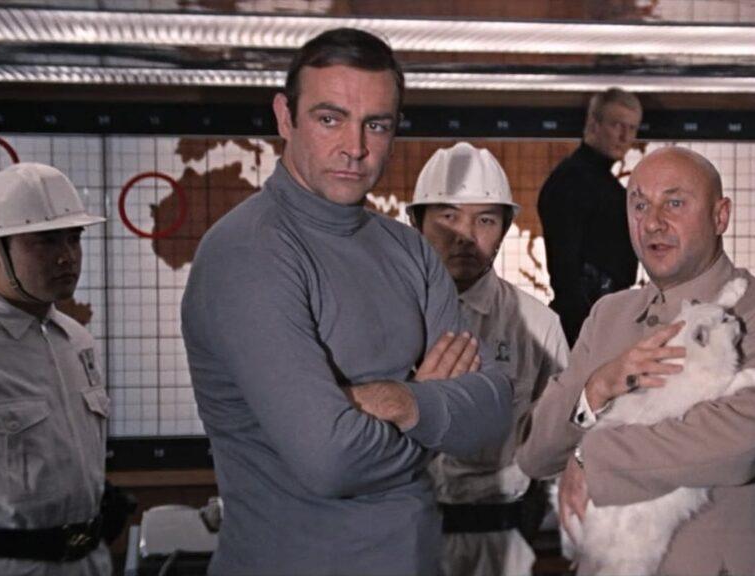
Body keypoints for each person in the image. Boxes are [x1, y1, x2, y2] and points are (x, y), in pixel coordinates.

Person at [181, 29, 512, 575]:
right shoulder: (248, 252)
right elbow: (331, 460)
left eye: (375, 125)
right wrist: (435, 413)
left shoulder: (409, 249)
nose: (355, 148)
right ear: (285, 117)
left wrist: (402, 402)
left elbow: (493, 409)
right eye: (330, 119)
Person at [518, 146, 755, 574]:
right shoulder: (609, 315)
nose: (652, 222)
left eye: (674, 203)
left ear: (721, 216)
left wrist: (589, 457)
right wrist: (596, 389)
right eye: (639, 205)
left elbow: (736, 444)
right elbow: (535, 454)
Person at [407, 142, 570, 576]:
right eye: (448, 216)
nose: (465, 235)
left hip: (500, 540)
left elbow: (564, 442)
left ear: (504, 229)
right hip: (399, 534)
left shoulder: (538, 326)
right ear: (416, 222)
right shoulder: (378, 317)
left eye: (485, 219)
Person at [0, 163, 110, 575]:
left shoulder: (75, 340)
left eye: (73, 238)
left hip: (88, 560)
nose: (66, 256)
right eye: (44, 241)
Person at [537, 88, 642, 346]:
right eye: (617, 125)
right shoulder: (571, 181)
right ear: (594, 124)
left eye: (632, 128)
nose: (625, 137)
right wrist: (588, 333)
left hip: (603, 319)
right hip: (584, 326)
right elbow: (565, 269)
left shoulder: (605, 186)